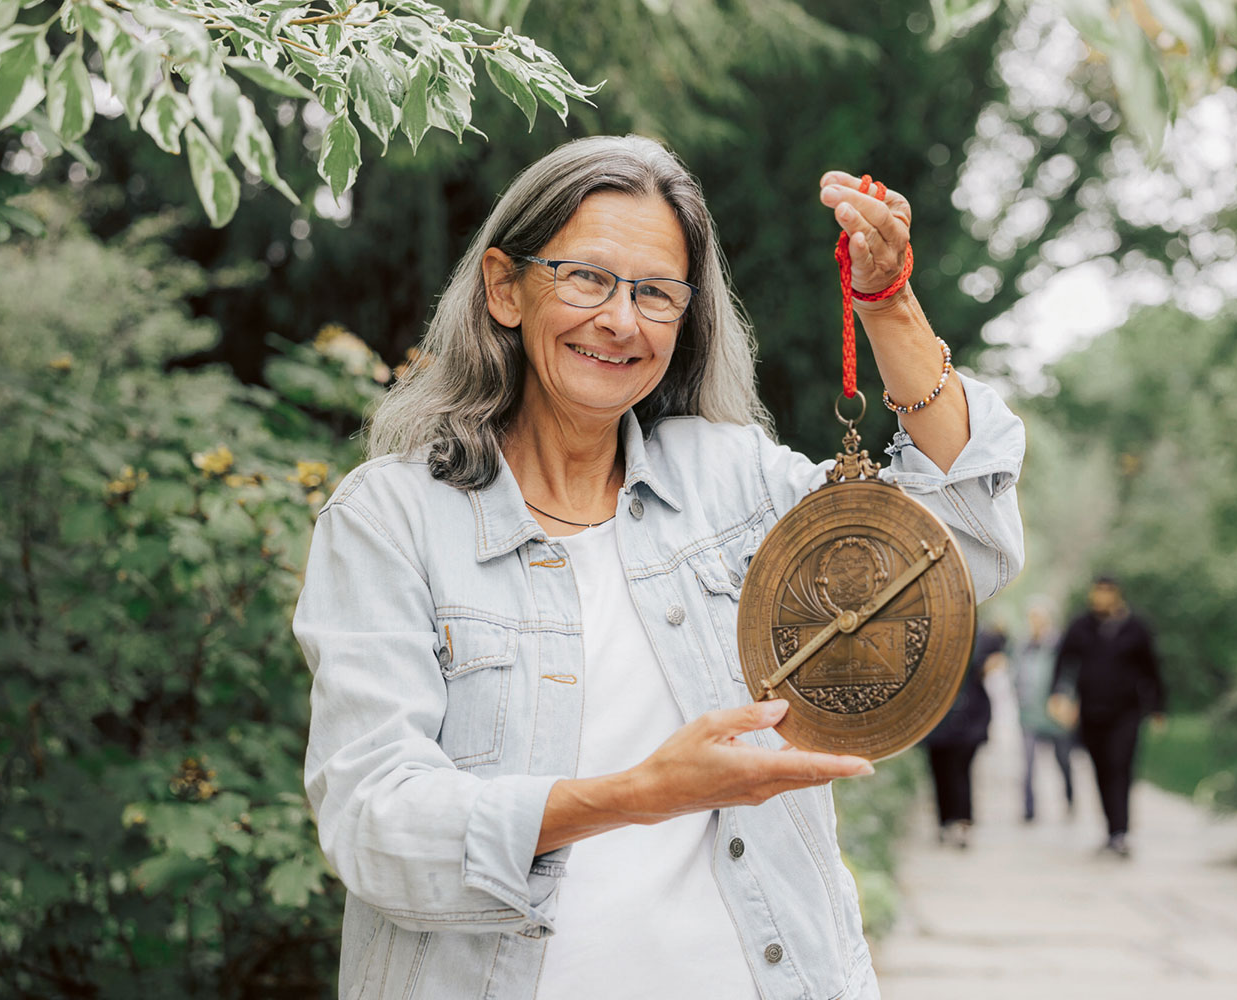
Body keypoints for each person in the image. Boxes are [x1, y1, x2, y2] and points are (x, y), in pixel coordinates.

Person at [292, 135, 1027, 999]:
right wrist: (642, 792)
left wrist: (888, 303)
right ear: (503, 286)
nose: (620, 320)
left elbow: (956, 546)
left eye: (655, 293)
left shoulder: (733, 482)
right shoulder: (392, 518)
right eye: (587, 278)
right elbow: (376, 823)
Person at [1049, 575, 1165, 857]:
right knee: (1101, 768)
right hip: (1091, 711)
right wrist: (1059, 695)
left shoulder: (1135, 628)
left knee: (1119, 766)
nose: (1099, 598)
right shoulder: (1081, 626)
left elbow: (1152, 669)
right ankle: (1111, 831)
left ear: (1116, 595)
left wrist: (1158, 707)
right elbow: (1063, 662)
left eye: (1105, 593)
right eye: (1096, 593)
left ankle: (1121, 832)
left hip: (1126, 712)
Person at [922, 623, 1006, 847]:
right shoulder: (928, 632)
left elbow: (989, 665)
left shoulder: (980, 635)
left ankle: (961, 822)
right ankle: (945, 822)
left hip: (968, 719)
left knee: (960, 773)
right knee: (940, 772)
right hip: (936, 719)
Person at [1011, 597, 1074, 822]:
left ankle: (1070, 799)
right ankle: (1029, 809)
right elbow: (1015, 675)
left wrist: (1067, 701)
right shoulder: (1022, 646)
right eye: (1032, 618)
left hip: (1054, 714)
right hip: (1029, 715)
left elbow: (1069, 675)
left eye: (1039, 618)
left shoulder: (1058, 645)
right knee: (1027, 765)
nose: (1035, 622)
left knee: (1063, 761)